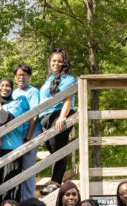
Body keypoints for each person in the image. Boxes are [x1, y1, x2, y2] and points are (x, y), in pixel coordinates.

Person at [0, 77, 30, 206]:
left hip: (13, 150)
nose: (5, 88)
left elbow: (6, 120)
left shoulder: (17, 103)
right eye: (2, 86)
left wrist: (0, 108)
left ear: (12, 88)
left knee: (11, 187)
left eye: (8, 86)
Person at [39, 48, 76, 188]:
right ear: (50, 62)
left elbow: (67, 99)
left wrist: (62, 117)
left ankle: (55, 182)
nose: (56, 63)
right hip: (45, 117)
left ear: (64, 63)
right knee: (52, 149)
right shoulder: (49, 79)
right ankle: (56, 180)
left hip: (60, 113)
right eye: (54, 61)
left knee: (59, 147)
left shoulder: (69, 79)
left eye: (60, 61)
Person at [13, 63, 41, 201]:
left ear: (29, 76)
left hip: (31, 133)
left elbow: (35, 115)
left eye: (24, 75)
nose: (21, 78)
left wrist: (29, 138)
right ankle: (19, 200)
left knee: (28, 168)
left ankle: (29, 200)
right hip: (18, 135)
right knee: (17, 168)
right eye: (18, 75)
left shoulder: (33, 92)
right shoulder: (14, 93)